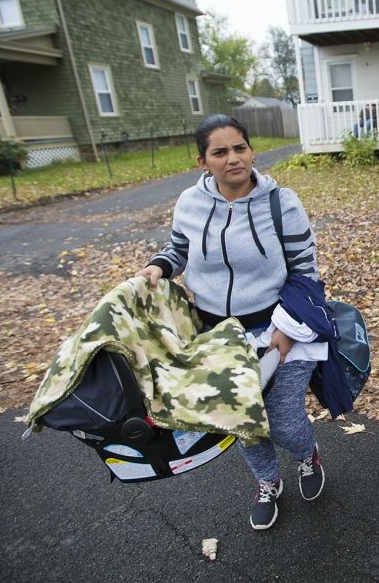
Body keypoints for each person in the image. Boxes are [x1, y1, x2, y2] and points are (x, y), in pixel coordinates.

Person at [136, 114, 327, 531]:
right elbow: (178, 250)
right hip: (217, 335)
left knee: (283, 421)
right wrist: (158, 268)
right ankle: (266, 482)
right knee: (242, 419)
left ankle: (307, 455)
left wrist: (286, 329)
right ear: (202, 160)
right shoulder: (190, 202)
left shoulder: (282, 203)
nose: (233, 159)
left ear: (251, 150)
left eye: (239, 148)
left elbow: (305, 271)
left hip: (280, 326)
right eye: (219, 152)